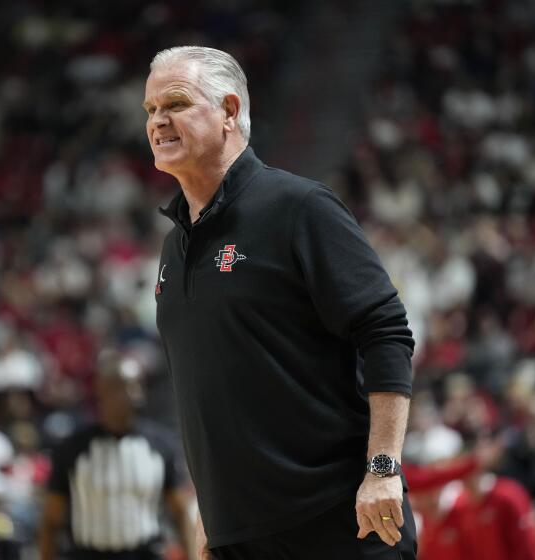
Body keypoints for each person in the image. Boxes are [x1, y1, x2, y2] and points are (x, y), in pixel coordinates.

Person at [146, 46, 417, 559]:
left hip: (339, 526)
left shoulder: (299, 208)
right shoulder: (173, 247)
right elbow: (209, 392)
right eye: (150, 110)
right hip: (238, 539)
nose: (158, 121)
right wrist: (212, 516)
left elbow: (386, 331)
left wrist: (383, 469)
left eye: (175, 104)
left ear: (228, 111)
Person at [39, 351, 196, 560]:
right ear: (101, 391)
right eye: (123, 386)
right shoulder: (72, 449)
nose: (133, 394)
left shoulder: (161, 445)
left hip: (144, 554)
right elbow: (51, 520)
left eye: (137, 385)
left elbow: (179, 512)